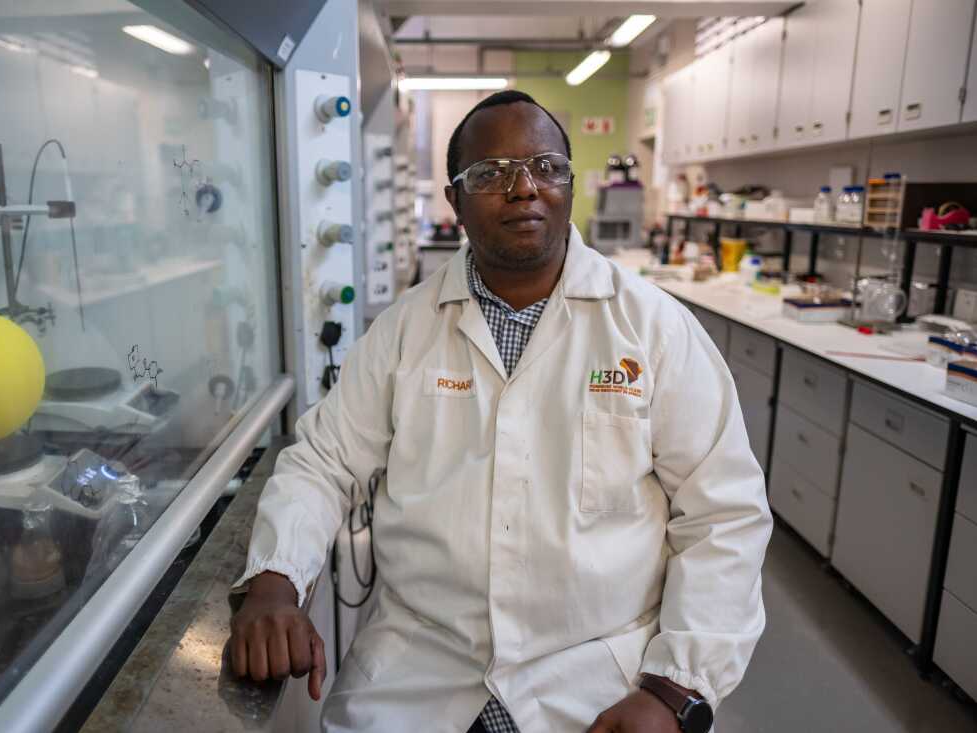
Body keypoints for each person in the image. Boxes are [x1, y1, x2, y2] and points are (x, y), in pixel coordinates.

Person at [229, 90, 772, 733]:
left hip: (603, 679)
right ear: (455, 201)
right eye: (490, 174)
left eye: (546, 167)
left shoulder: (654, 329)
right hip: (419, 665)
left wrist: (674, 689)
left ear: (570, 186)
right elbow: (324, 462)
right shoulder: (404, 331)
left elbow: (723, 514)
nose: (524, 188)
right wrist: (275, 580)